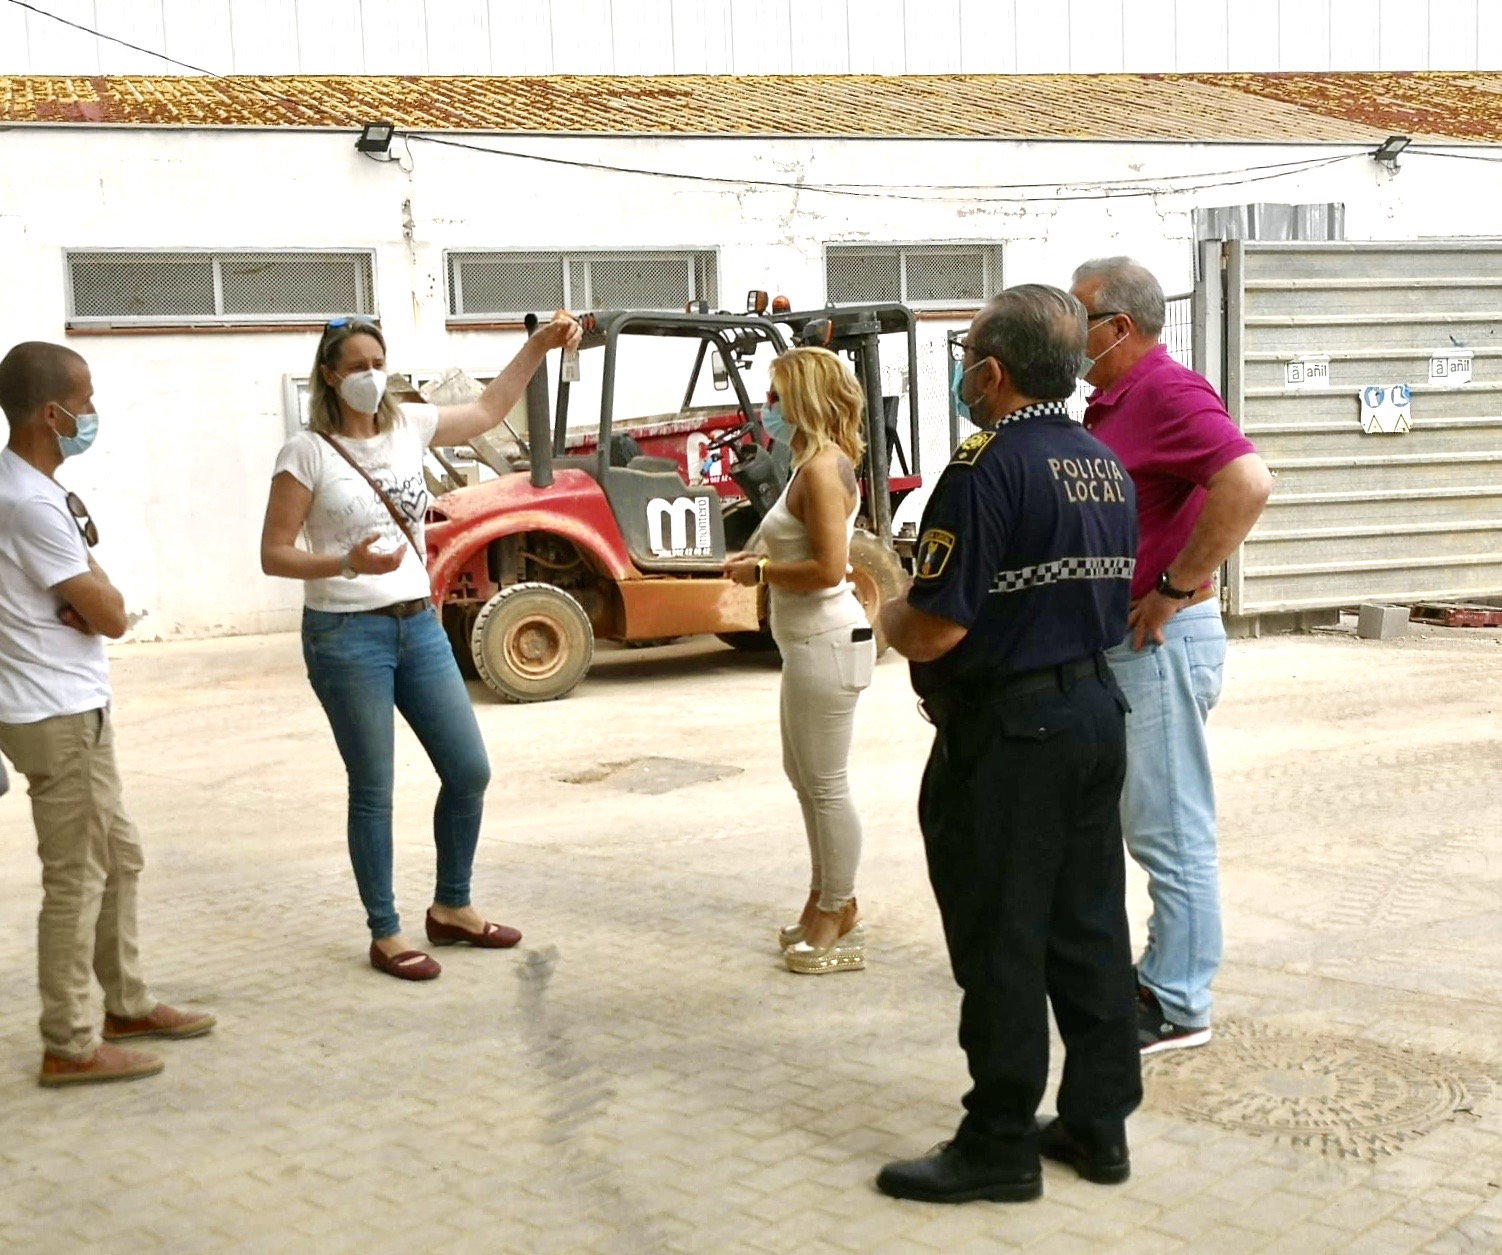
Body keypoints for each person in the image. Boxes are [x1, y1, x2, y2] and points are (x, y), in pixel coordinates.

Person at [874, 286, 1141, 1203]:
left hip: (1013, 736)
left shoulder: (983, 467)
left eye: (966, 360)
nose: (963, 376)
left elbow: (938, 626)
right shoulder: (1102, 461)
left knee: (1001, 938)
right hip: (1094, 714)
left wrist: (887, 610)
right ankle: (1099, 1123)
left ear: (992, 372)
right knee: (1089, 927)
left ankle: (998, 1143)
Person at [260, 312, 580, 981]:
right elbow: (275, 553)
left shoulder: (410, 424)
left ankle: (452, 906)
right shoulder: (306, 453)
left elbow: (490, 409)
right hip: (347, 634)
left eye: (378, 363)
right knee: (373, 787)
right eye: (357, 366)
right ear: (329, 376)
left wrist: (537, 347)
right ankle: (386, 932)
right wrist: (344, 562)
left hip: (419, 626)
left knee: (468, 770)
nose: (371, 376)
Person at [1070, 258, 1273, 1053]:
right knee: (1151, 824)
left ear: (1118, 326)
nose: (1071, 333)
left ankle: (1180, 1000)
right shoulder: (1115, 402)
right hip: (1132, 644)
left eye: (1080, 317)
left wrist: (1173, 586)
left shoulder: (1166, 392)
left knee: (1171, 829)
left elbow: (1247, 482)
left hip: (1159, 640)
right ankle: (1163, 968)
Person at [0, 341, 216, 1088]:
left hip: (70, 705)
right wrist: (97, 600)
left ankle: (125, 1003)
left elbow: (94, 603)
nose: (92, 414)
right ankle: (69, 1042)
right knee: (78, 876)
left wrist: (91, 600)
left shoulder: (32, 488)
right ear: (49, 414)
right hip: (55, 711)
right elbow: (113, 614)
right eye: (83, 402)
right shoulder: (31, 503)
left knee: (118, 858)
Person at [723, 347, 877, 974]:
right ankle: (825, 898)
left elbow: (831, 569)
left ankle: (838, 910)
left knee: (826, 783)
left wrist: (759, 571)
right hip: (807, 642)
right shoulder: (807, 464)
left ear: (804, 398)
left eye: (776, 395)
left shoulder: (819, 470)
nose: (769, 407)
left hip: (826, 639)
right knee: (804, 776)